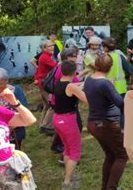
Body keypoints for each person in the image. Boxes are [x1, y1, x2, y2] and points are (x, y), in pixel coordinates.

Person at [83, 53, 128, 190]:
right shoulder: (104, 83)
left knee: (110, 155)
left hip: (93, 123)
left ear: (96, 65)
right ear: (110, 68)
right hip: (106, 124)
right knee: (122, 155)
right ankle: (111, 187)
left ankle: (105, 186)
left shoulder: (89, 80)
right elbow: (120, 102)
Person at [53, 60, 88, 188]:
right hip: (68, 120)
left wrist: (85, 83)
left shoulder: (58, 82)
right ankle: (67, 182)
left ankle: (68, 175)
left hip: (57, 119)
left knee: (67, 148)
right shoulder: (71, 87)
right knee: (75, 151)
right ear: (74, 72)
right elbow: (85, 99)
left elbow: (74, 86)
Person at [0, 68, 29, 150]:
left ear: (7, 81)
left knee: (15, 151)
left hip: (15, 129)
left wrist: (13, 125)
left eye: (1, 84)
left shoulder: (15, 90)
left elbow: (24, 108)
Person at [33, 40, 57, 135]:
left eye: (52, 46)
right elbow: (56, 67)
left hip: (42, 83)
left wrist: (36, 78)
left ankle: (42, 125)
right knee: (52, 105)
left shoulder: (45, 56)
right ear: (44, 48)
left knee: (46, 106)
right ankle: (46, 126)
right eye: (50, 46)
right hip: (45, 84)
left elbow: (38, 69)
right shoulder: (45, 57)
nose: (52, 47)